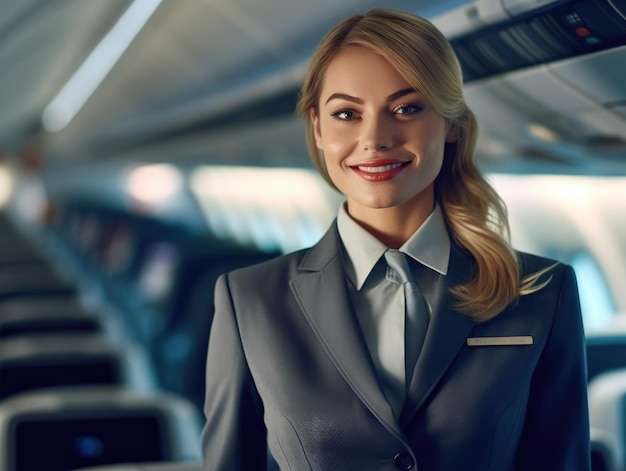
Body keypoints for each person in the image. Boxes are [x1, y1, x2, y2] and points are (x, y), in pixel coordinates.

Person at [201, 8, 590, 470]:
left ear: (451, 125)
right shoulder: (249, 301)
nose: (375, 139)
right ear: (319, 129)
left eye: (406, 108)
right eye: (347, 114)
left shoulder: (542, 291)